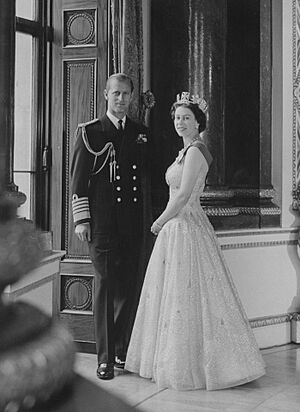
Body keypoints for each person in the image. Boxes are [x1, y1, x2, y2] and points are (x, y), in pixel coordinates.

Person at [125, 92, 266, 391]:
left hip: (185, 226)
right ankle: (171, 361)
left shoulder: (196, 151)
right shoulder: (185, 151)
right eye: (177, 118)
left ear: (198, 121)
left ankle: (196, 368)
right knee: (176, 296)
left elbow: (184, 193)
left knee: (188, 295)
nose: (180, 123)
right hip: (178, 227)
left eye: (186, 118)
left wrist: (161, 220)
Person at [70, 73, 151, 380]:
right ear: (105, 95)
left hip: (131, 222)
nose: (121, 99)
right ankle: (104, 358)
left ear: (131, 98)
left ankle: (120, 348)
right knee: (105, 284)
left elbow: (145, 178)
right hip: (101, 223)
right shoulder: (91, 132)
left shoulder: (141, 133)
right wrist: (82, 219)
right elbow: (78, 179)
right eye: (115, 93)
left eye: (126, 94)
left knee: (129, 286)